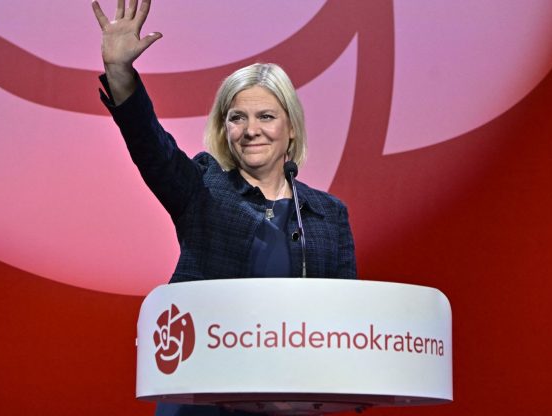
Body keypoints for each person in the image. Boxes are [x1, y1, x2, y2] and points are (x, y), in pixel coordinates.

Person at [91, 0, 356, 413]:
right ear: (223, 127)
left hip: (290, 404)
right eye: (237, 118)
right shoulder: (203, 188)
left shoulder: (328, 215)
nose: (251, 131)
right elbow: (151, 146)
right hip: (203, 400)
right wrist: (120, 73)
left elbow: (349, 326)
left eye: (266, 116)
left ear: (290, 129)